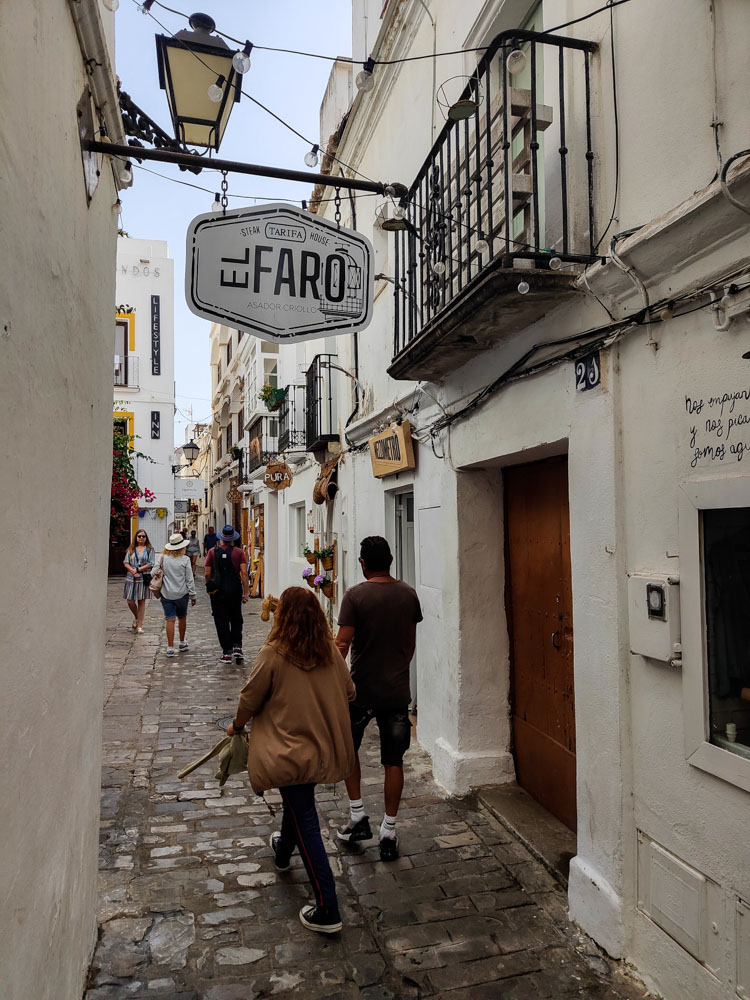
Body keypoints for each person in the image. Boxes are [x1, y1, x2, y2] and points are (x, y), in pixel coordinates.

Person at [226, 586, 355, 934]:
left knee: (306, 820)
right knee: (298, 806)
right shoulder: (328, 651)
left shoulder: (274, 653)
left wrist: (236, 725)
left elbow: (250, 697)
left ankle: (328, 908)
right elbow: (350, 691)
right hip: (317, 748)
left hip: (287, 750)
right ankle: (283, 852)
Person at [335, 536, 422, 861]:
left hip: (360, 691)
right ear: (391, 559)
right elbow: (410, 644)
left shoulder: (355, 596)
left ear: (362, 563)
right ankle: (389, 830)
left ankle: (358, 816)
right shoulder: (408, 595)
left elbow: (342, 645)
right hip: (396, 692)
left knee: (348, 750)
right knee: (393, 761)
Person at [205, 524, 249, 663]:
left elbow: (207, 573)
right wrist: (246, 592)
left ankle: (227, 652)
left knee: (221, 620)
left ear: (221, 538)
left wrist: (210, 586)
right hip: (235, 589)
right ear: (233, 539)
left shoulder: (212, 552)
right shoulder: (239, 552)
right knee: (236, 618)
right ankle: (237, 646)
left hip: (218, 591)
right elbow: (244, 573)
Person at [154, 532, 196, 656]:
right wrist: (193, 595)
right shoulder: (185, 560)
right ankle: (182, 642)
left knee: (170, 619)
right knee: (182, 617)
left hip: (166, 593)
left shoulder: (162, 558)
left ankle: (170, 647)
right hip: (182, 594)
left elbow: (153, 573)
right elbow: (189, 579)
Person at [123, 528, 155, 634]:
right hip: (131, 577)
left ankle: (140, 625)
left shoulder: (150, 549)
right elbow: (126, 562)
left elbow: (151, 563)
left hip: (143, 577)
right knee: (130, 600)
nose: (141, 538)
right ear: (136, 538)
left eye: (143, 536)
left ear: (146, 538)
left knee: (141, 601)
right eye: (139, 536)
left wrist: (138, 570)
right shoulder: (131, 549)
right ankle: (137, 617)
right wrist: (132, 570)